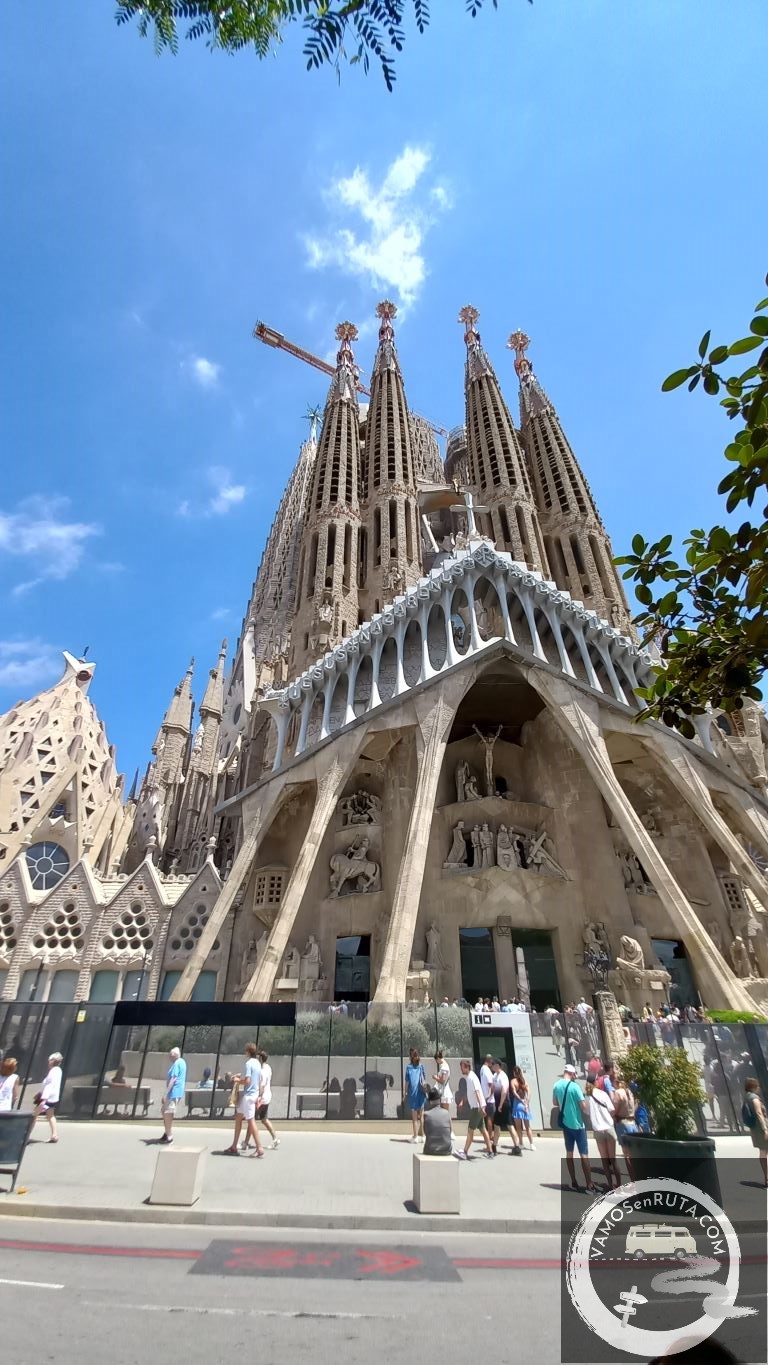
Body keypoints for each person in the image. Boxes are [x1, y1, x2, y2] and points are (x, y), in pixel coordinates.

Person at [552, 1063, 594, 1191]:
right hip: (578, 1124)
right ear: (572, 1074)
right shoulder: (575, 1087)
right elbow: (583, 1106)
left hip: (566, 1124)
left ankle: (573, 1180)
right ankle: (589, 1184)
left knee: (569, 1153)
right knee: (584, 1154)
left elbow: (555, 1103)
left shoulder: (556, 1085)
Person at [225, 1042, 264, 1157]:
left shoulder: (248, 1063)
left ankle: (259, 1148)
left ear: (248, 1052)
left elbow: (247, 1081)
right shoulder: (257, 1063)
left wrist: (237, 1080)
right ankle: (234, 1146)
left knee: (251, 1122)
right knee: (238, 1118)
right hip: (253, 1095)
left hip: (248, 1096)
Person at [455, 1059, 493, 1160]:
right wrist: (463, 1101)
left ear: (467, 1067)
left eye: (462, 1067)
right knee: (483, 1129)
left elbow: (477, 1092)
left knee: (470, 1130)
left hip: (477, 1108)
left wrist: (481, 1107)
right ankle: (490, 1151)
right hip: (477, 1107)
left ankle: (465, 1152)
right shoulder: (469, 1077)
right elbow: (471, 1093)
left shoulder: (472, 1077)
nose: (461, 1069)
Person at [587, 1080, 621, 1188]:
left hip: (598, 1131)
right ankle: (619, 1185)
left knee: (604, 1161)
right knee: (613, 1159)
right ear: (596, 1082)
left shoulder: (588, 1097)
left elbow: (587, 1112)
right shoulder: (603, 1094)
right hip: (608, 1128)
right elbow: (611, 1109)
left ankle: (610, 1185)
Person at [491, 1058, 521, 1155]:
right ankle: (517, 1147)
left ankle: (494, 1147)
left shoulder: (503, 1076)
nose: (492, 1066)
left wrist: (500, 1105)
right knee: (509, 1125)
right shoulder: (495, 1076)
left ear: (498, 1066)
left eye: (494, 1064)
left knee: (497, 1125)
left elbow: (504, 1091)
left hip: (503, 1104)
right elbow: (493, 1088)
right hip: (499, 1103)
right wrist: (489, 1096)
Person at [742, 1078, 768, 1185]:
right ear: (753, 1087)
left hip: (754, 1129)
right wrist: (765, 1129)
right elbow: (759, 1113)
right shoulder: (755, 1099)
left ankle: (766, 1177)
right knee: (763, 1152)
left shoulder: (746, 1097)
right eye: (757, 1086)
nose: (758, 1088)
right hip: (761, 1128)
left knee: (762, 1151)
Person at [35, 1052, 63, 1143]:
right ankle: (54, 1135)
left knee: (34, 1115)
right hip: (53, 1098)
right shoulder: (58, 1070)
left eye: (50, 1060)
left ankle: (24, 1136)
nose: (48, 1062)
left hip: (47, 1098)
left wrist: (44, 1099)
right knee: (50, 1115)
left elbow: (49, 1085)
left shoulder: (53, 1071)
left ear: (53, 1061)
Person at [160, 1046, 186, 1145]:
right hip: (176, 1092)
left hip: (174, 1092)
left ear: (174, 1055)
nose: (169, 1057)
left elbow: (173, 1079)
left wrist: (165, 1094)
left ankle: (169, 1135)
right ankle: (167, 1132)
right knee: (164, 1111)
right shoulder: (182, 1062)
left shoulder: (177, 1063)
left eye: (170, 1055)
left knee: (167, 1112)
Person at [256, 1050, 280, 1150]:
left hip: (263, 1098)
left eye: (258, 1057)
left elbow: (262, 1084)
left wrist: (259, 1097)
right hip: (267, 1096)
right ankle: (275, 1138)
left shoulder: (262, 1071)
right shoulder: (268, 1067)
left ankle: (245, 1142)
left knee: (251, 1120)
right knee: (264, 1119)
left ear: (261, 1058)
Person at [404, 1048, 427, 1142]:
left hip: (413, 1094)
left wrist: (405, 1092)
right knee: (421, 1116)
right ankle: (423, 1136)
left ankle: (415, 1136)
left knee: (414, 1117)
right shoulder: (421, 1066)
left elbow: (407, 1082)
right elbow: (424, 1079)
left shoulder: (408, 1067)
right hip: (421, 1093)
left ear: (411, 1057)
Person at [511, 1065, 535, 1150]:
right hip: (525, 1105)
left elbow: (514, 1092)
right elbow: (529, 1092)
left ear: (514, 1072)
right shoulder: (524, 1081)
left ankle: (521, 1143)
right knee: (527, 1126)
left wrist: (520, 1100)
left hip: (517, 1105)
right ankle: (532, 1144)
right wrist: (526, 1102)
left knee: (518, 1127)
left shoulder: (513, 1081)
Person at [423, 1087, 452, 1156]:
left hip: (430, 1150)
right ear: (439, 1100)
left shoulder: (426, 1114)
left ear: (429, 1101)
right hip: (446, 1150)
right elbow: (450, 1131)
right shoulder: (447, 1113)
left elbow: (425, 1132)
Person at [432, 1051, 454, 1137]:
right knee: (444, 1113)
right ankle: (446, 1131)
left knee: (446, 1113)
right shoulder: (444, 1065)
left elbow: (442, 1080)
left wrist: (435, 1077)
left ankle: (450, 1132)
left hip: (444, 1092)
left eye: (436, 1060)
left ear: (438, 1059)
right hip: (443, 1091)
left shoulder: (444, 1067)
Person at [479, 1053, 495, 1142]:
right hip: (489, 1099)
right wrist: (490, 1095)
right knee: (489, 1118)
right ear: (488, 1061)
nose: (492, 1064)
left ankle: (489, 1134)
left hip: (485, 1097)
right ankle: (491, 1135)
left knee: (488, 1117)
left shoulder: (482, 1069)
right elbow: (491, 1085)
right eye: (491, 1062)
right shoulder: (487, 1070)